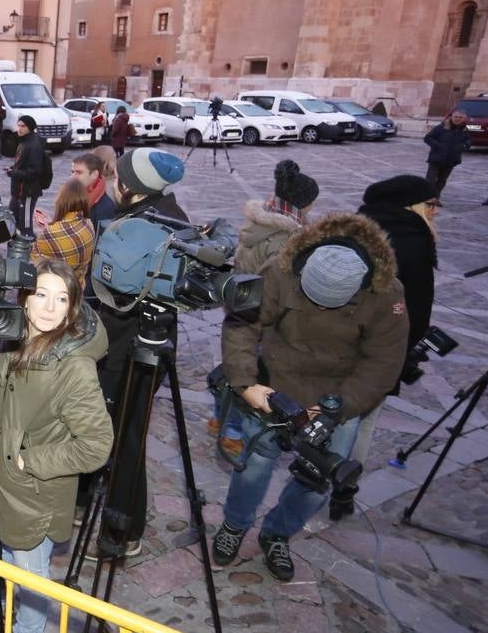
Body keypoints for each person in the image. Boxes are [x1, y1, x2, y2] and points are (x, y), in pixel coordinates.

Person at [213, 214, 409, 580]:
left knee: (315, 483)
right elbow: (243, 323)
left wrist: (341, 406)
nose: (321, 308)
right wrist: (247, 384)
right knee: (253, 467)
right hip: (273, 392)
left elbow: (384, 362)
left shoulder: (387, 294)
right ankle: (235, 524)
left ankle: (276, 534)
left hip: (336, 403)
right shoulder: (280, 270)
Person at [0, 259, 114, 633]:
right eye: (40, 294)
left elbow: (96, 446)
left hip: (33, 495)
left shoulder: (73, 367)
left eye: (61, 298)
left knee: (32, 576)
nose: (50, 308)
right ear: (23, 297)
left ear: (73, 307)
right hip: (4, 487)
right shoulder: (11, 338)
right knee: (9, 561)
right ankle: (9, 611)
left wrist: (28, 460)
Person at [85, 148, 188, 556]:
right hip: (147, 342)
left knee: (127, 438)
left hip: (129, 350)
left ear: (129, 188)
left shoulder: (140, 228)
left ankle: (121, 533)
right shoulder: (169, 212)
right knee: (116, 430)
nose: (113, 183)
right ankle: (90, 499)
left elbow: (112, 296)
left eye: (118, 178)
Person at [211, 160, 320, 460]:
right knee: (249, 374)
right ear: (305, 203)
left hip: (241, 302)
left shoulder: (263, 219)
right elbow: (279, 284)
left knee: (233, 363)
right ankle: (231, 432)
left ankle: (218, 417)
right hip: (261, 313)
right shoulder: (287, 238)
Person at [356, 175, 439, 465]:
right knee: (363, 420)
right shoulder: (414, 241)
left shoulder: (359, 227)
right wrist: (408, 353)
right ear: (409, 206)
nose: (436, 210)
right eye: (430, 204)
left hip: (343, 336)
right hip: (383, 347)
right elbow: (415, 309)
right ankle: (344, 487)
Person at [33, 180, 98, 285]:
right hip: (79, 285)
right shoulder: (88, 223)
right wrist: (49, 225)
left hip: (59, 288)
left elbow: (35, 260)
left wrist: (47, 230)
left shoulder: (51, 234)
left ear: (62, 200)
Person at [7, 115, 48, 234]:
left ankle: (29, 247)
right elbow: (23, 164)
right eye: (18, 125)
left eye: (23, 126)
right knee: (12, 218)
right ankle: (19, 246)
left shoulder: (34, 145)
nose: (19, 129)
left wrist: (14, 173)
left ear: (30, 127)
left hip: (28, 192)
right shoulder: (24, 141)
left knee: (25, 225)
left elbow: (35, 172)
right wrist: (13, 169)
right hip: (18, 192)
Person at [423, 111, 470, 196]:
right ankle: (427, 198)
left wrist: (463, 147)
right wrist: (438, 146)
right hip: (436, 159)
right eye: (456, 116)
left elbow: (468, 141)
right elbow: (428, 138)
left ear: (464, 119)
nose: (458, 119)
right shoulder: (442, 127)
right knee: (430, 180)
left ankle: (436, 197)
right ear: (452, 117)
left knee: (442, 181)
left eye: (460, 117)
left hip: (451, 160)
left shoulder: (464, 129)